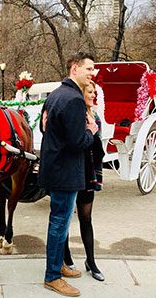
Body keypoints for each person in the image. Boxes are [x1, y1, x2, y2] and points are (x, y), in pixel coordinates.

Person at [39, 52, 98, 297]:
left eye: (93, 69)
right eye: (89, 68)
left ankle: (59, 265)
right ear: (75, 68)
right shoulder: (73, 99)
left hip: (54, 168)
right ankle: (52, 276)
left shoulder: (55, 94)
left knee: (59, 221)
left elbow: (44, 127)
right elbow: (77, 142)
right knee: (59, 222)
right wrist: (91, 131)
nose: (92, 73)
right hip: (64, 172)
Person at [63, 81, 105, 282]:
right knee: (65, 217)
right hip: (71, 171)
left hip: (88, 171)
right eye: (90, 92)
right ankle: (66, 257)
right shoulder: (73, 113)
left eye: (94, 92)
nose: (93, 95)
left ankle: (91, 261)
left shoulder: (95, 116)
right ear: (81, 93)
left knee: (86, 217)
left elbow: (98, 146)